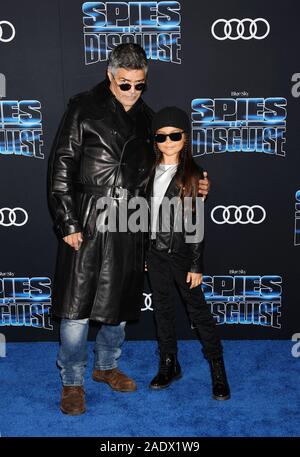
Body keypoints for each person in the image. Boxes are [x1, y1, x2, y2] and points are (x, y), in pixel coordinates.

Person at [48, 43, 211, 415]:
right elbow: (61, 167)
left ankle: (106, 367)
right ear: (110, 77)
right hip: (88, 218)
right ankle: (72, 381)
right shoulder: (82, 108)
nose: (133, 92)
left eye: (140, 85)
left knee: (118, 307)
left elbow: (168, 163)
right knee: (75, 313)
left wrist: (196, 180)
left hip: (130, 222)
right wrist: (67, 221)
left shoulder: (147, 120)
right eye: (125, 84)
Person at [146, 106, 230, 400]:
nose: (168, 141)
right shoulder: (147, 171)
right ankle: (169, 364)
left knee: (199, 313)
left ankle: (218, 372)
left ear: (185, 137)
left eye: (174, 135)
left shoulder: (193, 175)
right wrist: (146, 253)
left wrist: (196, 264)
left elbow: (195, 225)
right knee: (163, 312)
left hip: (182, 256)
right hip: (155, 254)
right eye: (161, 136)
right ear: (154, 139)